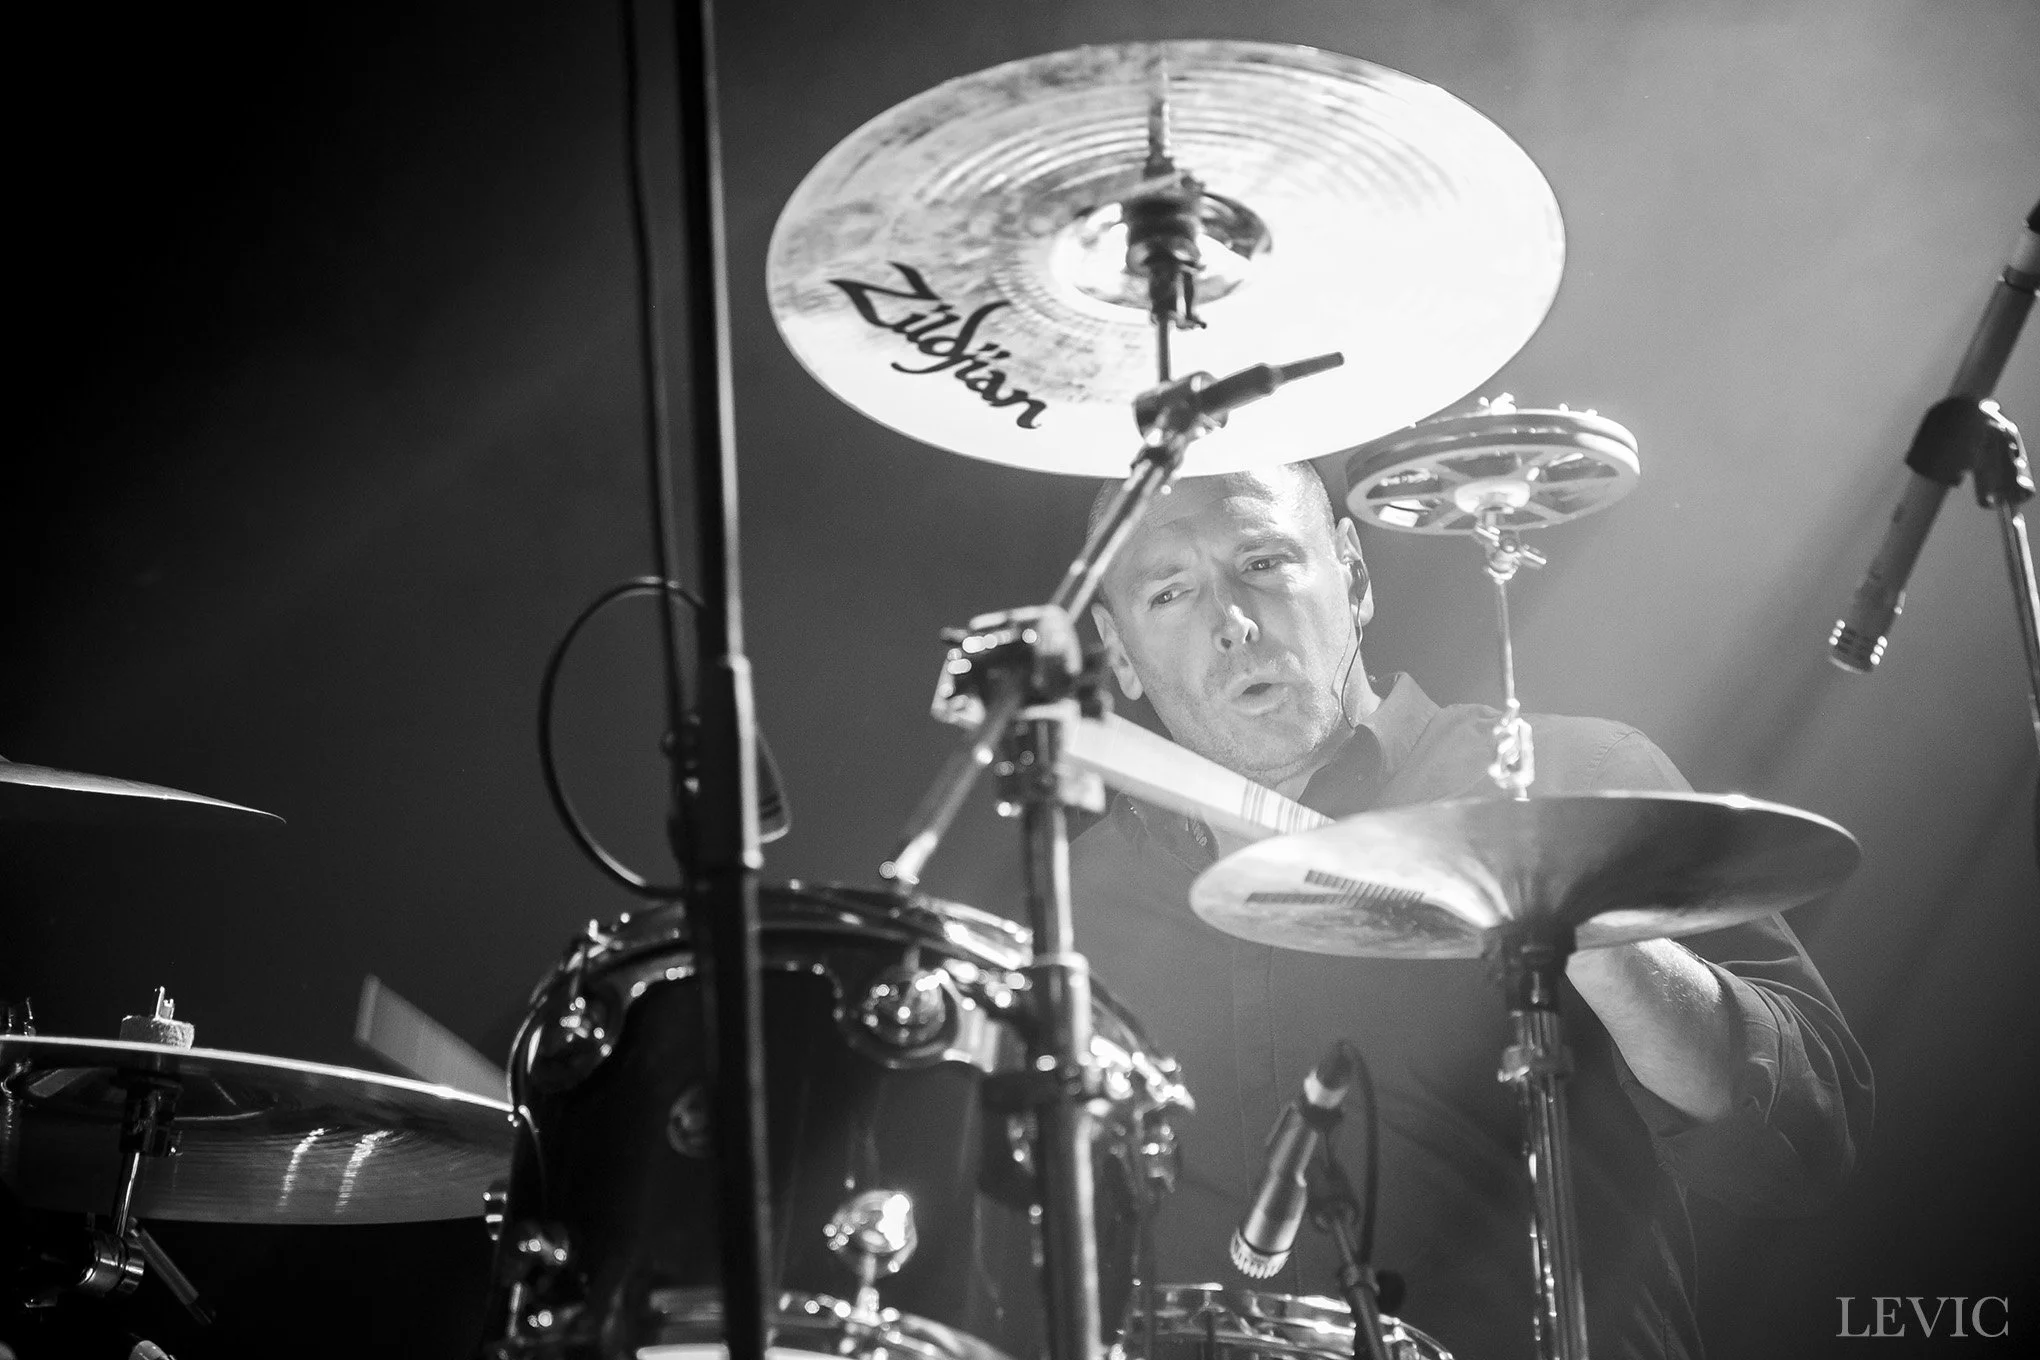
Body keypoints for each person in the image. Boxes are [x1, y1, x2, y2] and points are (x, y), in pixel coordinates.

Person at [1068, 462, 1871, 1360]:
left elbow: (1804, 1144)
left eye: (1263, 562)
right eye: (1171, 592)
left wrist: (1584, 923)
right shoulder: (1076, 907)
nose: (1233, 622)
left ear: (1354, 576)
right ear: (1117, 651)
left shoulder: (1579, 785)